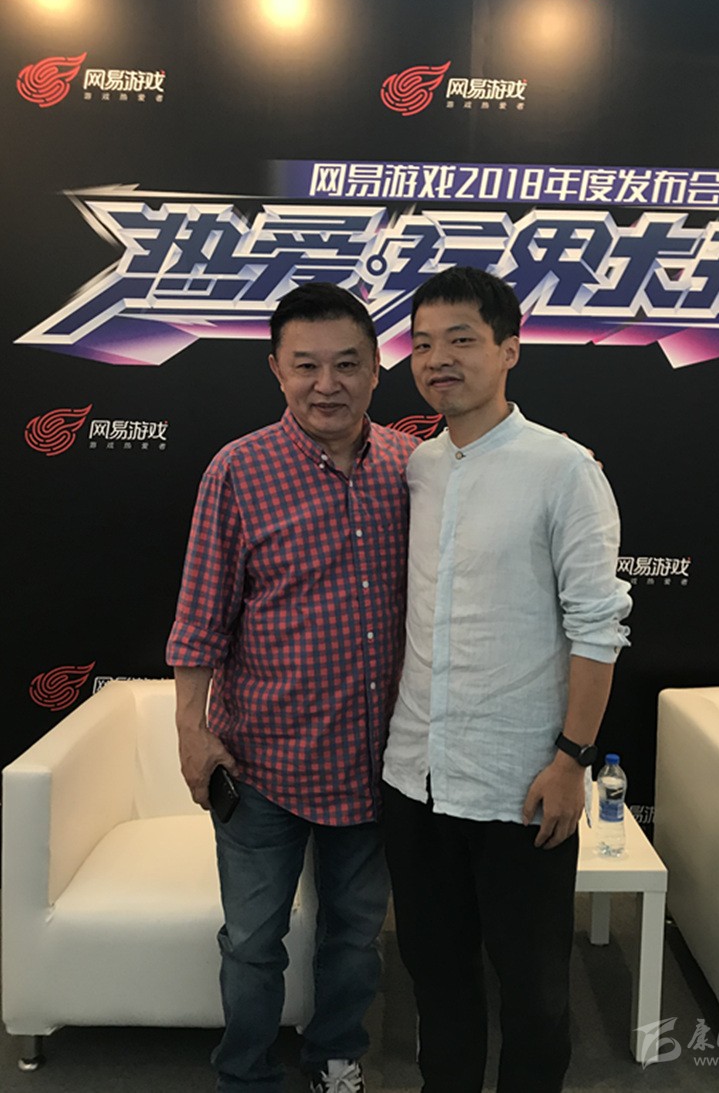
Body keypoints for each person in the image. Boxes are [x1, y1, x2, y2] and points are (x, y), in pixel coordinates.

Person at [381, 266, 632, 1093]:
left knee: (534, 995)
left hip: (522, 786)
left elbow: (599, 625)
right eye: (422, 344)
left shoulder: (563, 469)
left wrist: (571, 758)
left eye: (461, 340)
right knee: (437, 981)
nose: (437, 359)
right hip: (416, 779)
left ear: (510, 350)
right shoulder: (417, 467)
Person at [166, 283, 419, 1093]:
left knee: (354, 935)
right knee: (251, 941)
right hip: (262, 765)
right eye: (306, 365)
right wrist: (191, 731)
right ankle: (244, 1072)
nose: (327, 384)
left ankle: (334, 1055)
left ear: (377, 368)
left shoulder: (413, 469)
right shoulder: (237, 470)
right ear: (276, 369)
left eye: (347, 363)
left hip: (373, 765)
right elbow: (200, 618)